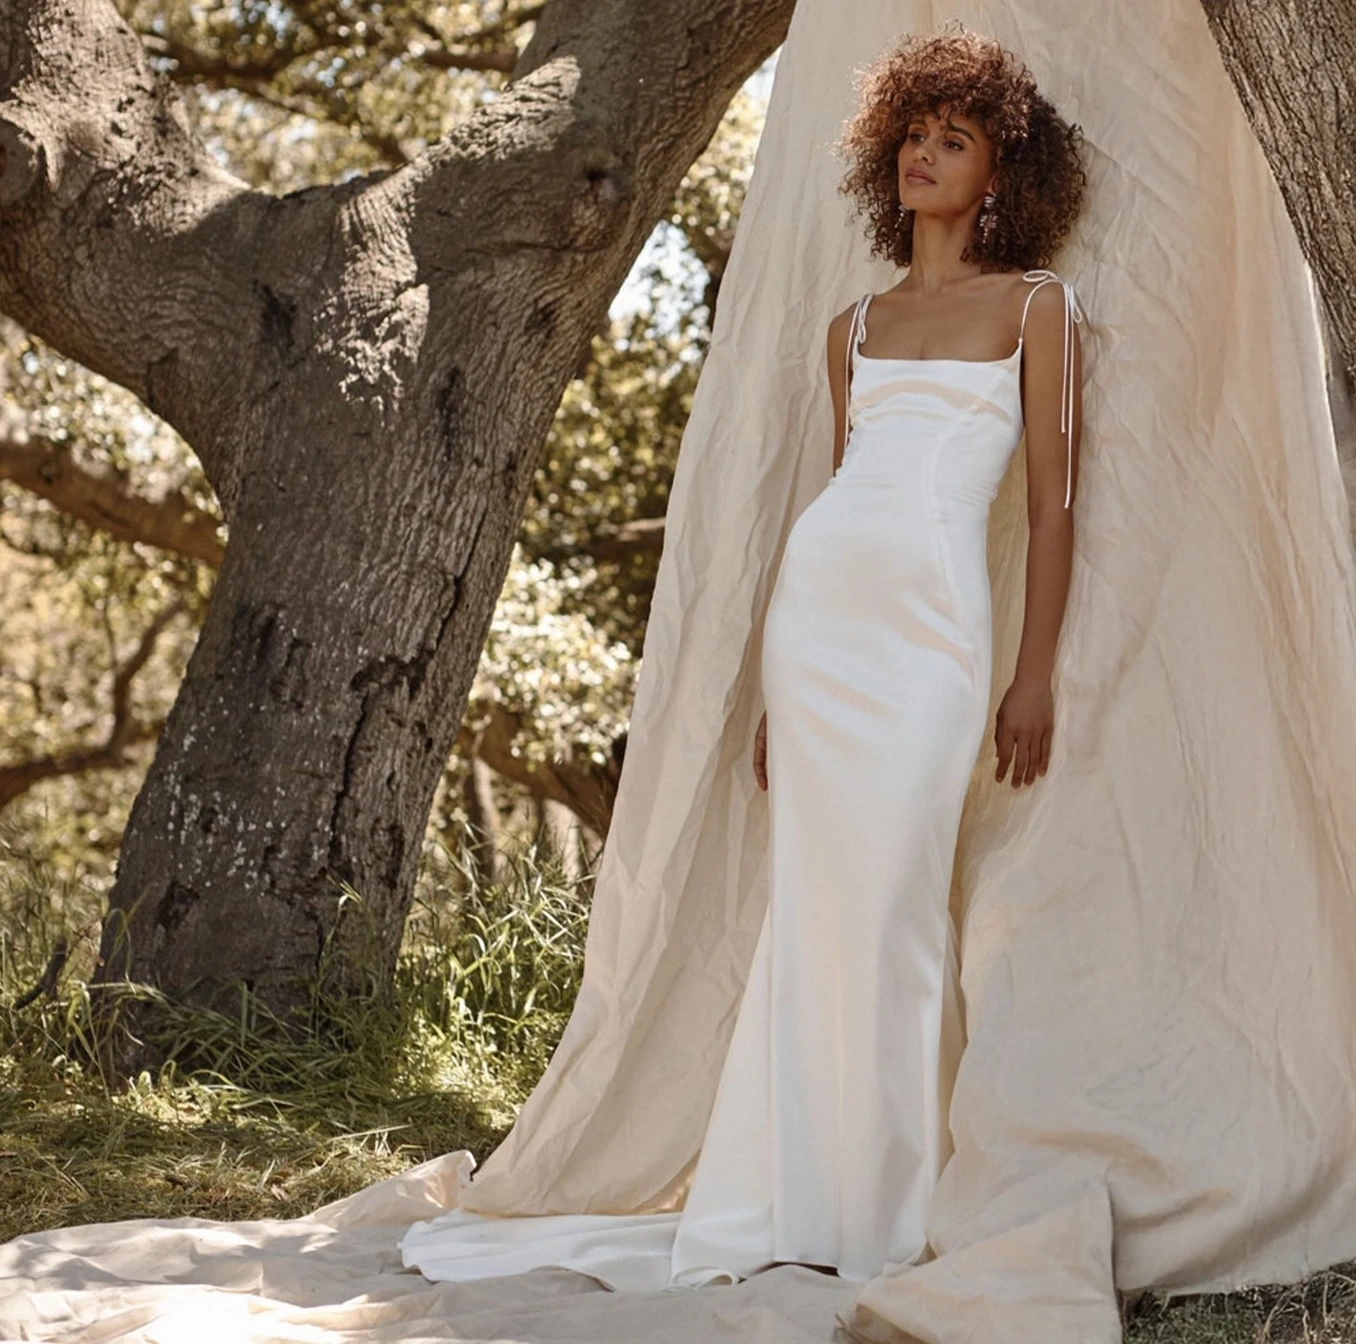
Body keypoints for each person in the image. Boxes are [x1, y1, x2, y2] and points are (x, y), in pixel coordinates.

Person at [396, 27, 1089, 1289]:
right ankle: (793, 1206)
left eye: (955, 140)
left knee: (892, 908)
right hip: (820, 627)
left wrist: (1028, 673)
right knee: (817, 913)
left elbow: (1051, 508)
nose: (923, 157)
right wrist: (774, 686)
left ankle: (883, 1213)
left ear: (1000, 175)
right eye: (913, 137)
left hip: (936, 635)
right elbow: (834, 492)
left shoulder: (1039, 307)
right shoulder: (852, 327)